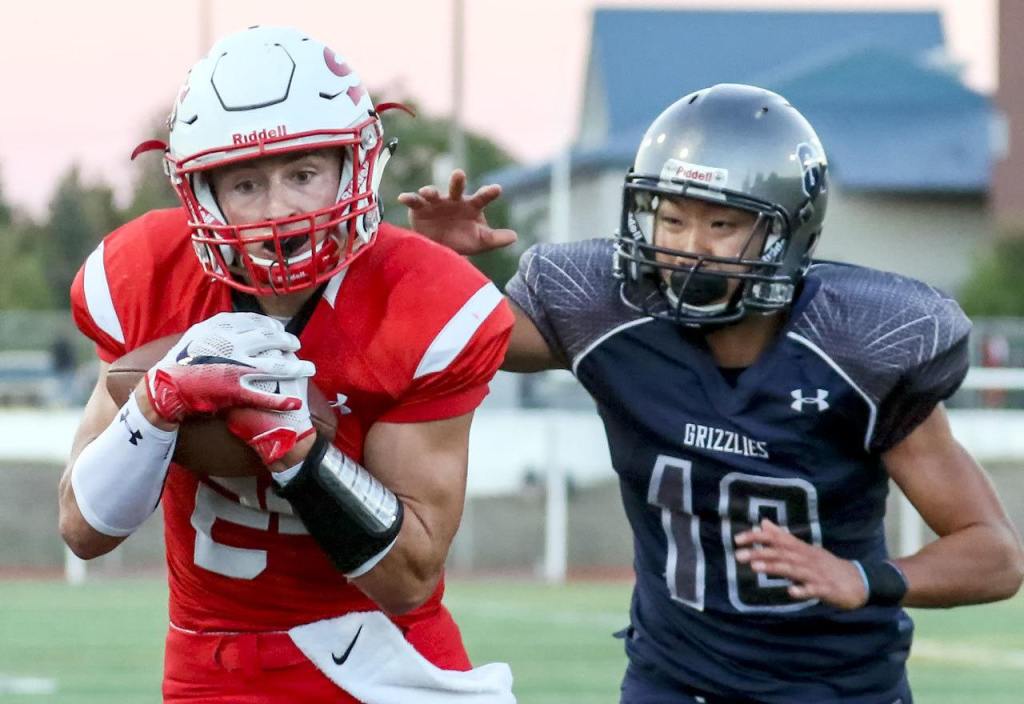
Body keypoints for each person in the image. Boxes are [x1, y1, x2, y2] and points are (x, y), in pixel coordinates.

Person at [401, 83, 1024, 703]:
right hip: (671, 682)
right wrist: (432, 266)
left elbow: (995, 554)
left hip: (835, 688)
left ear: (789, 232)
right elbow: (463, 344)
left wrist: (864, 578)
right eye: (671, 219)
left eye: (721, 223)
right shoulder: (612, 316)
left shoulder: (858, 347)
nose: (688, 248)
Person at [58, 26, 516, 704]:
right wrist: (155, 405)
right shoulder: (146, 276)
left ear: (353, 164)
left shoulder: (429, 303)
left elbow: (410, 577)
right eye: (246, 183)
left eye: (303, 174)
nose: (281, 212)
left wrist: (297, 451)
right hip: (209, 662)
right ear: (201, 192)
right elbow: (82, 528)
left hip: (382, 662)